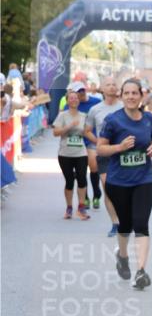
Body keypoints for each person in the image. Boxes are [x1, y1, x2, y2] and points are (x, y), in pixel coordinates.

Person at [97, 78, 152, 290]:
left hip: (144, 179)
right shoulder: (112, 120)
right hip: (118, 181)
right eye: (127, 93)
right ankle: (122, 256)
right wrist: (119, 147)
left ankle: (141, 271)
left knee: (141, 223)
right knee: (125, 225)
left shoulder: (149, 118)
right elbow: (100, 149)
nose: (131, 97)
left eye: (135, 93)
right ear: (121, 96)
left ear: (141, 96)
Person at [84, 77, 125, 236]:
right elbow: (87, 130)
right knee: (108, 189)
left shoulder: (124, 106)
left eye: (115, 84)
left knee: (123, 189)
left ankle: (124, 219)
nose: (112, 87)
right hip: (104, 154)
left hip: (122, 153)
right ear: (102, 88)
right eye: (108, 84)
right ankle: (115, 223)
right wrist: (99, 143)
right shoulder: (95, 109)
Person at [52, 89, 91, 220]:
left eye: (76, 98)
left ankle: (81, 207)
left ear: (79, 101)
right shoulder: (62, 115)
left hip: (81, 153)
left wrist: (97, 142)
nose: (74, 100)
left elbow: (87, 132)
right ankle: (69, 207)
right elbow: (55, 133)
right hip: (65, 153)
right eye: (71, 98)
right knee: (69, 181)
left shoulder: (84, 116)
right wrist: (68, 127)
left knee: (82, 179)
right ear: (67, 101)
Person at [67, 81, 103, 210]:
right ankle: (86, 197)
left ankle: (97, 192)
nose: (81, 93)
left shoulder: (96, 102)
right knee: (80, 171)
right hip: (77, 141)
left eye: (82, 90)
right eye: (78, 91)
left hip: (92, 138)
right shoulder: (71, 104)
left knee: (93, 166)